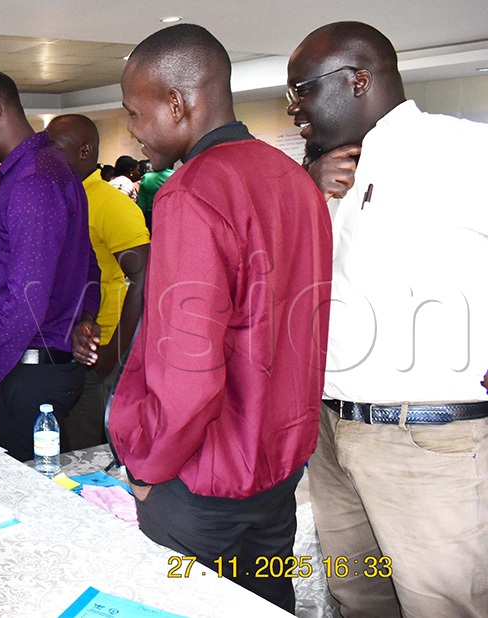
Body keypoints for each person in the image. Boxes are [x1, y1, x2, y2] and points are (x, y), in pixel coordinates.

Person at [104, 24, 331, 613]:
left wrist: (149, 467)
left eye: (134, 113)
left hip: (204, 479)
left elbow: (188, 370)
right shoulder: (294, 180)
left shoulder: (192, 191)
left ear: (176, 103)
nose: (131, 130)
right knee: (267, 603)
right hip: (279, 468)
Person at [287, 22, 488, 618]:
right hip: (332, 435)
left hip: (425, 443)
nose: (294, 106)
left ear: (359, 80)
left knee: (440, 606)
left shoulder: (457, 150)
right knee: (357, 597)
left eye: (302, 88)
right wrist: (305, 193)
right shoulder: (323, 174)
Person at [0, 69, 99, 461]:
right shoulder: (46, 170)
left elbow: (26, 304)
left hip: (26, 375)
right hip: (29, 366)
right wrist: (83, 316)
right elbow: (89, 266)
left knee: (21, 497)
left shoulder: (34, 181)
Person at [45, 114, 149, 450]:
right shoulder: (67, 198)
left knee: (93, 450)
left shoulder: (110, 204)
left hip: (106, 351)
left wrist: (112, 356)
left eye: (55, 150)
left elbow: (144, 278)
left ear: (85, 151)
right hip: (74, 346)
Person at [135, 164, 173, 230]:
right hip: (170, 213)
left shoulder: (146, 178)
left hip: (151, 215)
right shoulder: (174, 175)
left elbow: (142, 205)